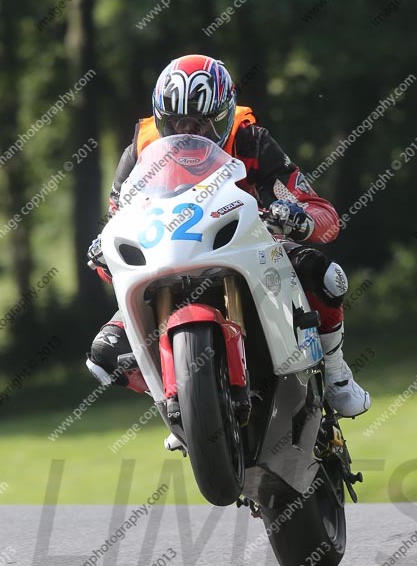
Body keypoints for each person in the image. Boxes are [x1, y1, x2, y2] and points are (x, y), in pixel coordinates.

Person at [87, 54, 370, 418]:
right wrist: (104, 251)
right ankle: (182, 407)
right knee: (103, 357)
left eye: (201, 124)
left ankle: (336, 374)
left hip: (248, 247)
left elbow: (319, 211)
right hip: (167, 258)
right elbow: (117, 223)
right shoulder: (140, 153)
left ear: (224, 115)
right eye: (176, 123)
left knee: (327, 277)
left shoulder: (250, 141)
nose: (189, 133)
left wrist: (297, 217)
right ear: (160, 119)